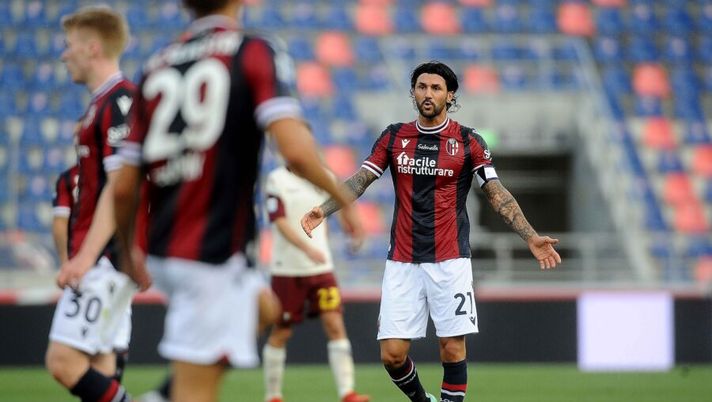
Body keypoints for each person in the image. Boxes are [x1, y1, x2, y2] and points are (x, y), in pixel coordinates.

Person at [113, 1, 363, 402]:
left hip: (166, 244)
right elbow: (295, 151)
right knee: (197, 393)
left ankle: (160, 397)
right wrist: (343, 200)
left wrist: (127, 250)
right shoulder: (253, 50)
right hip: (209, 250)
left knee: (264, 309)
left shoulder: (156, 64)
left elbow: (124, 185)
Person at [302, 61, 562, 402]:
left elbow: (497, 194)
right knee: (392, 355)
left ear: (450, 95)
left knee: (452, 348)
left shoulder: (469, 142)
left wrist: (529, 236)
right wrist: (325, 208)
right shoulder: (394, 136)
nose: (428, 93)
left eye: (436, 88)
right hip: (402, 261)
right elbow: (361, 179)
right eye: (421, 87)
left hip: (450, 259)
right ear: (413, 92)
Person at [45, 6, 142, 402]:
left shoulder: (118, 102)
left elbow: (120, 184)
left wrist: (83, 257)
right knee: (100, 366)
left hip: (103, 257)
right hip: (109, 256)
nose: (64, 54)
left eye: (70, 46)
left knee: (63, 361)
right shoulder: (101, 106)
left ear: (92, 48)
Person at [262, 166, 370, 402]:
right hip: (287, 269)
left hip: (322, 269)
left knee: (335, 324)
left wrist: (353, 226)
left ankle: (347, 393)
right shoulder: (276, 180)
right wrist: (307, 249)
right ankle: (273, 396)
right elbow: (278, 221)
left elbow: (341, 199)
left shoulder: (324, 175)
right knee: (282, 331)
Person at [51, 162, 131, 385]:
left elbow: (60, 223)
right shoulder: (123, 174)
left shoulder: (70, 178)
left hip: (94, 267)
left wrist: (67, 262)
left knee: (65, 359)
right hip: (116, 266)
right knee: (109, 346)